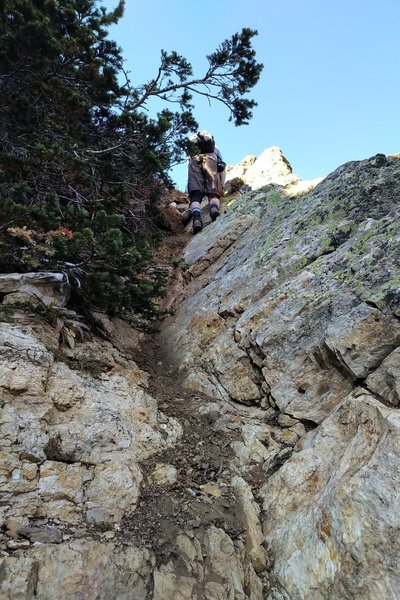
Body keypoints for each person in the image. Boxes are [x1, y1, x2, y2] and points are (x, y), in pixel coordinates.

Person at [187, 131, 226, 234]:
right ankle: (213, 209)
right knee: (213, 193)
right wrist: (221, 185)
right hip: (211, 160)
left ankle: (196, 219)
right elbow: (221, 163)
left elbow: (188, 167)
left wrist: (190, 189)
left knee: (196, 196)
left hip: (194, 161)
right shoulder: (215, 148)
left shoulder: (193, 150)